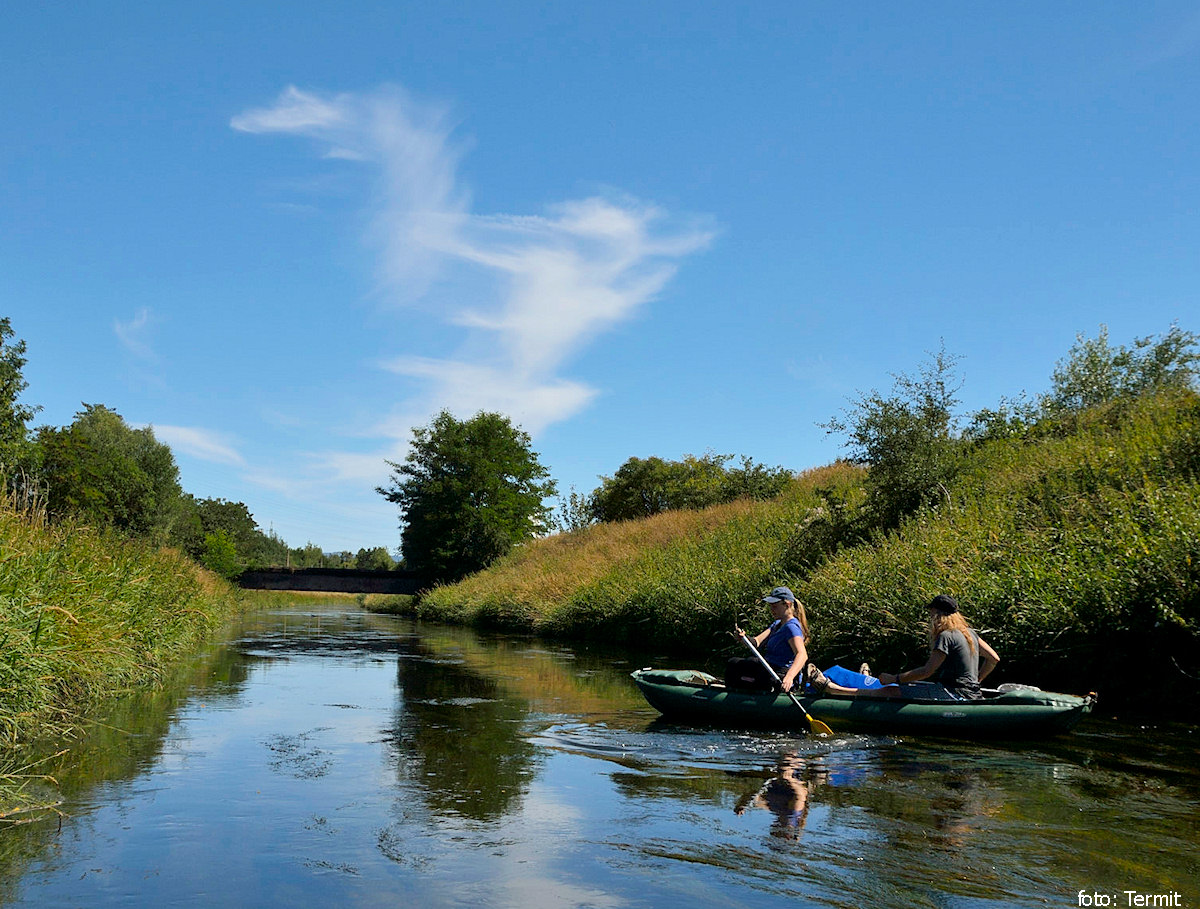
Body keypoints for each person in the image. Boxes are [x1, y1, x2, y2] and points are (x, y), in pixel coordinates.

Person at [877, 594, 1000, 700]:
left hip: (953, 693)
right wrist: (977, 680)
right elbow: (994, 658)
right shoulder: (970, 633)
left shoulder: (946, 636)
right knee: (907, 687)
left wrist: (894, 678)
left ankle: (857, 694)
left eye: (931, 612)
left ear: (937, 613)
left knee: (890, 691)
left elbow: (927, 671)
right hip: (973, 693)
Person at [728, 586, 810, 692]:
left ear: (787, 605)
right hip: (768, 666)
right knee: (734, 663)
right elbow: (756, 642)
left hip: (780, 672)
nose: (772, 610)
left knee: (760, 676)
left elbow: (802, 655)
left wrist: (789, 677)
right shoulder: (777, 624)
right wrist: (743, 638)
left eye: (775, 607)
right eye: (771, 606)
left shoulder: (791, 627)